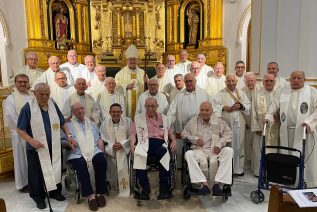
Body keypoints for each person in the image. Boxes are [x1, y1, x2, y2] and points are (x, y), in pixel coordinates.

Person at [16, 83, 74, 209]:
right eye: (41, 94)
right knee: (36, 174)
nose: (44, 97)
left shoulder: (53, 104)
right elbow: (20, 129)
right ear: (34, 93)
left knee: (55, 169)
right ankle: (39, 198)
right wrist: (32, 141)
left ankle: (55, 192)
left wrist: (69, 136)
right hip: (36, 148)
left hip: (54, 145)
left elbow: (62, 122)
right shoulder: (28, 108)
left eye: (47, 94)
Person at [265, 71, 317, 188]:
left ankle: (305, 180)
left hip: (304, 131)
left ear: (304, 80)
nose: (296, 80)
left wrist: (309, 122)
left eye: (299, 78)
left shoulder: (312, 92)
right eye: (293, 78)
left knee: (303, 156)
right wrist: (269, 116)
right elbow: (274, 105)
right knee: (287, 157)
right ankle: (287, 179)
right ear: (290, 79)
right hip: (286, 131)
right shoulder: (283, 92)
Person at [182, 102, 233, 195]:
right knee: (188, 154)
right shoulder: (193, 122)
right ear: (199, 110)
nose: (204, 112)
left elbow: (228, 134)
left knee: (229, 151)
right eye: (202, 110)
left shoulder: (219, 121)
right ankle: (204, 184)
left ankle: (216, 184)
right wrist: (195, 139)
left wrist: (219, 143)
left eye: (207, 110)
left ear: (212, 111)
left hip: (215, 150)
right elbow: (184, 134)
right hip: (199, 150)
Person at [63, 102, 107, 211]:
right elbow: (62, 141)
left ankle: (100, 192)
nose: (80, 111)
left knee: (101, 160)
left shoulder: (91, 122)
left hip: (94, 150)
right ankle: (90, 196)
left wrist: (101, 140)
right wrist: (68, 144)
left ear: (84, 109)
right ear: (72, 112)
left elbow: (99, 135)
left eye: (81, 108)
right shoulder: (67, 125)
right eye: (76, 109)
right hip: (76, 153)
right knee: (81, 165)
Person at [131, 97, 177, 200]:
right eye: (148, 106)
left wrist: (173, 140)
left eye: (153, 106)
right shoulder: (138, 118)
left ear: (157, 106)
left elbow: (170, 133)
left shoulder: (164, 118)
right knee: (139, 154)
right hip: (144, 143)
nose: (150, 108)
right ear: (145, 107)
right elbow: (133, 134)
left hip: (160, 143)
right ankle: (145, 188)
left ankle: (164, 188)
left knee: (165, 153)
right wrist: (132, 145)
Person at [213, 74, 250, 176]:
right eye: (228, 81)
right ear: (225, 82)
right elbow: (214, 106)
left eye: (233, 81)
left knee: (240, 144)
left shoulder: (241, 93)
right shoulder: (220, 94)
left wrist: (241, 106)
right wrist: (224, 107)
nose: (231, 83)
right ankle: (228, 169)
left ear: (236, 82)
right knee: (228, 145)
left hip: (239, 123)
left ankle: (239, 169)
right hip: (227, 123)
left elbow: (248, 107)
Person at [4, 74, 33, 192]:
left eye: (25, 82)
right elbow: (11, 116)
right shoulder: (10, 99)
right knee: (21, 159)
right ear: (15, 83)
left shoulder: (32, 95)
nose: (22, 84)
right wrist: (24, 128)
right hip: (19, 132)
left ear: (28, 83)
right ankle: (23, 184)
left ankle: (34, 181)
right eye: (20, 82)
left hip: (33, 131)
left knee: (32, 159)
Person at [100, 103, 133, 197]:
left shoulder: (128, 121)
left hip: (124, 151)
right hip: (110, 152)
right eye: (113, 112)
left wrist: (122, 144)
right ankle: (113, 184)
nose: (116, 114)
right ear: (109, 113)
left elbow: (132, 135)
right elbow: (102, 137)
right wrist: (111, 146)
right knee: (111, 167)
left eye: (118, 112)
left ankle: (123, 185)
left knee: (124, 165)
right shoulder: (104, 123)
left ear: (122, 112)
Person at [250, 74, 280, 175]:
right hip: (260, 127)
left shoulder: (280, 93)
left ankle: (272, 172)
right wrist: (256, 127)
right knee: (259, 150)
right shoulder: (257, 94)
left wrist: (279, 115)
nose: (268, 83)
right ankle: (259, 171)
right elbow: (253, 112)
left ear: (274, 82)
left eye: (271, 81)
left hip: (276, 127)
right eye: (266, 81)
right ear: (263, 82)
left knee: (274, 150)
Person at [115, 44, 147, 119]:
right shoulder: (120, 74)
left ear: (137, 60)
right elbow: (115, 88)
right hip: (126, 105)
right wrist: (125, 86)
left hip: (139, 103)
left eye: (134, 59)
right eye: (130, 59)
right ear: (127, 60)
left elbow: (146, 89)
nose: (132, 61)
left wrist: (146, 83)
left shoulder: (142, 72)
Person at [242, 72, 259, 170]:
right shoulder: (241, 92)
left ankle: (256, 166)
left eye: (252, 81)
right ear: (244, 82)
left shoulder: (261, 90)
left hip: (257, 124)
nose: (250, 83)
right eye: (248, 81)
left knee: (256, 147)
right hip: (247, 124)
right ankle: (248, 166)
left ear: (255, 81)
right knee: (248, 145)